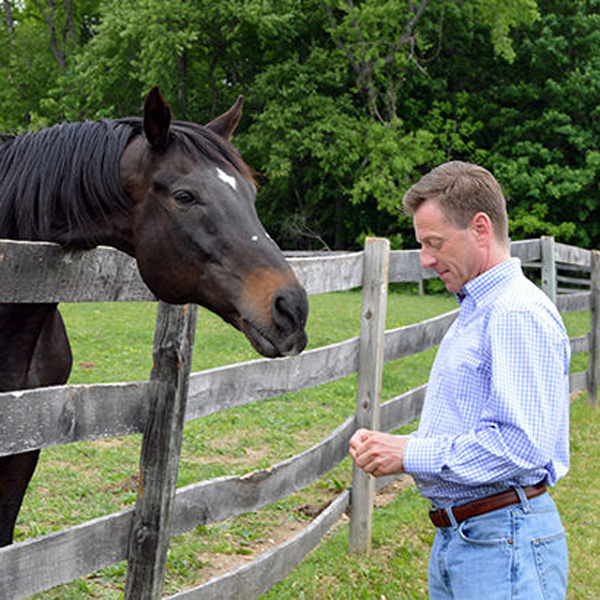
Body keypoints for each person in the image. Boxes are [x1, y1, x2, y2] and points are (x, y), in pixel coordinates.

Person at [349, 161, 570, 599]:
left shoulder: (514, 313)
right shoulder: (479, 309)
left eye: (434, 243)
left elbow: (522, 445)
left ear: (481, 228)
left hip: (502, 540)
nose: (427, 259)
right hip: (474, 537)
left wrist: (411, 452)